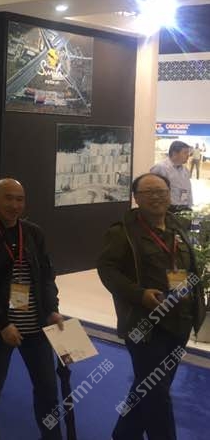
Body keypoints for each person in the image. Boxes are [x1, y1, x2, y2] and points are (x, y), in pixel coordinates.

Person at [98, 173, 206, 440]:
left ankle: (124, 434)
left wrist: (196, 306)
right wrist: (139, 294)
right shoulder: (122, 232)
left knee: (149, 386)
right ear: (136, 198)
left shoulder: (177, 225)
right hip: (144, 326)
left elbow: (191, 267)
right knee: (157, 394)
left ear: (169, 194)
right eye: (148, 192)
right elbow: (107, 270)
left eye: (161, 191)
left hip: (179, 322)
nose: (156, 196)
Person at [0, 178, 63, 440]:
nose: (14, 205)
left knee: (48, 390)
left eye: (20, 199)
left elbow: (46, 276)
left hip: (36, 326)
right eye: (8, 198)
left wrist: (52, 309)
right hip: (0, 328)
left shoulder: (33, 233)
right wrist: (1, 323)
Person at [150, 140, 192, 211]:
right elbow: (153, 190)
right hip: (168, 209)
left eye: (188, 153)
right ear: (174, 153)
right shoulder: (160, 168)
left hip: (184, 207)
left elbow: (188, 190)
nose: (188, 155)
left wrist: (190, 206)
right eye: (185, 153)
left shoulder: (185, 170)